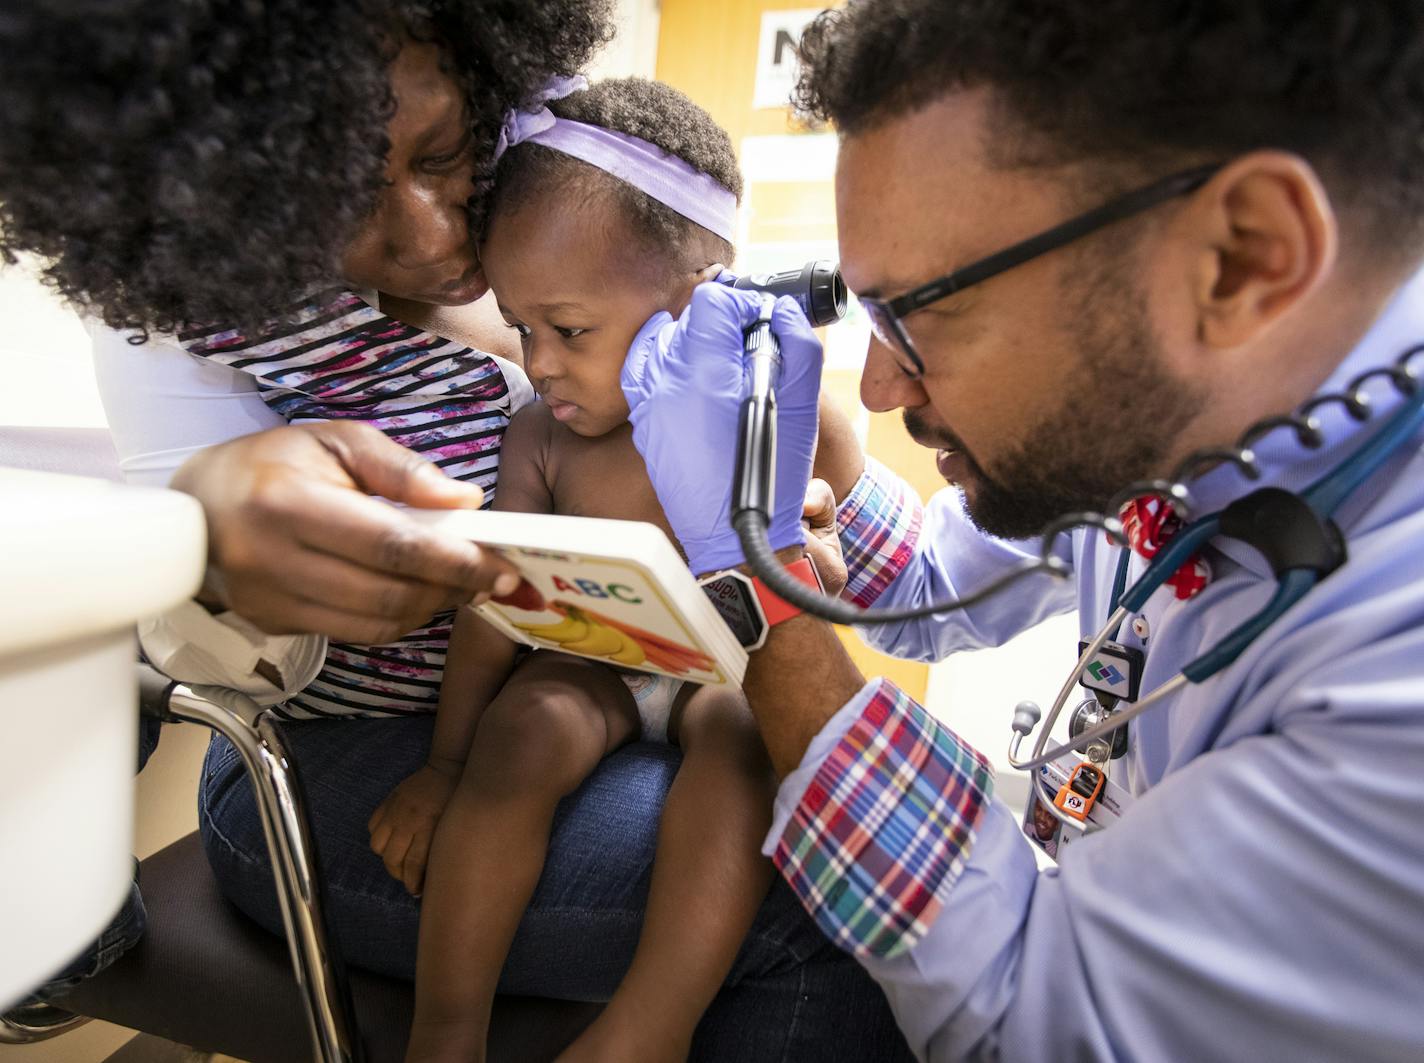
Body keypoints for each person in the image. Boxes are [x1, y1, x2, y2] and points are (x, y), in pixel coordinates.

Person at [0, 4, 913, 1057]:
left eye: (446, 154)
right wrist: (218, 563)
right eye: (339, 203)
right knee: (834, 906)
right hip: (346, 749)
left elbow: (894, 568)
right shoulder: (190, 318)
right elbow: (463, 603)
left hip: (645, 692)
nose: (439, 236)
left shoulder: (576, 191)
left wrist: (815, 507)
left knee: (846, 852)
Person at [615, 1, 1424, 1059]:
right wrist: (813, 454)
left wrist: (750, 571)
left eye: (919, 312)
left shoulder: (1393, 681)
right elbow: (921, 592)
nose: (879, 379)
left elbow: (1025, 1017)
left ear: (1239, 257)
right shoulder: (1183, 419)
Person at [362, 77, 864, 1062]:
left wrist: (814, 560)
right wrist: (443, 765)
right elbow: (489, 603)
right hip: (593, 664)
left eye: (570, 330)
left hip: (721, 674)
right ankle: (444, 1031)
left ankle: (646, 1029)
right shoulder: (539, 435)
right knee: (527, 720)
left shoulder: (771, 417)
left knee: (740, 738)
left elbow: (828, 586)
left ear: (701, 296)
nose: (539, 362)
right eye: (520, 328)